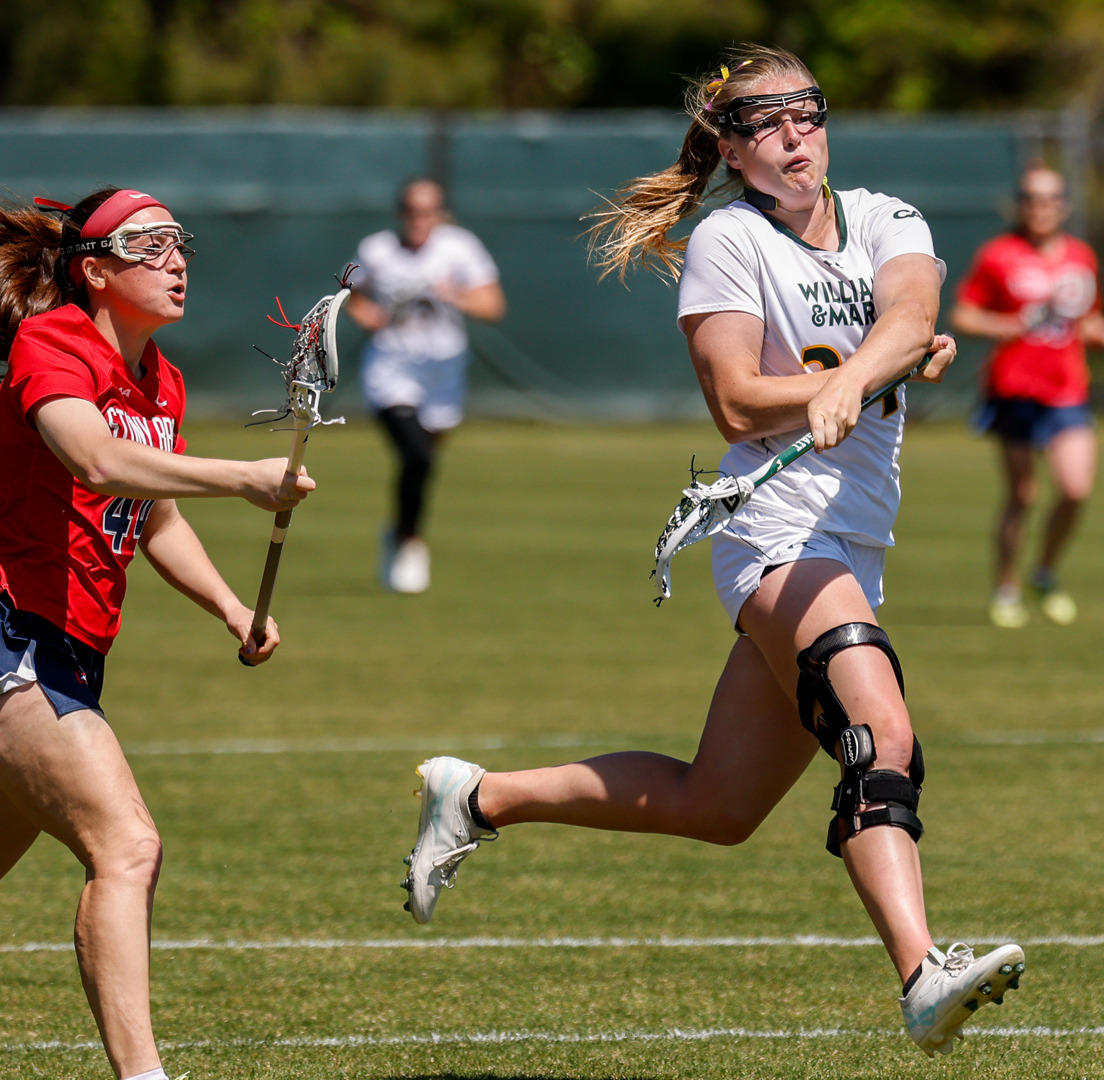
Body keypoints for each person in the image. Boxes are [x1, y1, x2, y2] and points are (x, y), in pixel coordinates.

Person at [399, 46, 1027, 1057]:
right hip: (775, 533)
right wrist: (860, 375)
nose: (795, 135)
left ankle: (477, 796)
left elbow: (912, 311)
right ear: (731, 150)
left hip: (855, 540)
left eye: (808, 114)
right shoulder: (729, 241)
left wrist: (864, 369)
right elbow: (735, 396)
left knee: (718, 804)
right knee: (880, 732)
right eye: (767, 122)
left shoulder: (884, 217)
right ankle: (921, 973)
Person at [0, 189, 314, 1080]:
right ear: (94, 271)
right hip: (13, 628)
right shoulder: (50, 343)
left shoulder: (161, 380)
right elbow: (96, 459)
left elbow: (153, 514)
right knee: (126, 844)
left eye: (181, 242)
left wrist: (229, 606)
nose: (176, 260)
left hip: (71, 651)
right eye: (149, 246)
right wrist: (243, 476)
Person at [951, 163, 1104, 629]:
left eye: (1049, 199)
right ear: (1019, 205)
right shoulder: (998, 255)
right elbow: (964, 314)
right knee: (1023, 494)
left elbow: (1085, 318)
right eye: (1030, 198)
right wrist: (1003, 325)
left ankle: (1043, 573)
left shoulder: (1081, 257)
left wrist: (1102, 332)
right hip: (1015, 391)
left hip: (1067, 390)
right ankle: (1006, 587)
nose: (1039, 207)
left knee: (1075, 489)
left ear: (1063, 205)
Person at [345, 177, 505, 593]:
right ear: (401, 213)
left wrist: (453, 296)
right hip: (392, 370)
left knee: (422, 464)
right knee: (417, 457)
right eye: (412, 211)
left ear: (439, 214)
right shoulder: (376, 249)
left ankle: (399, 530)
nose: (419, 220)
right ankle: (410, 545)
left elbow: (492, 304)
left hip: (442, 373)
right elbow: (353, 297)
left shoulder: (459, 248)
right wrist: (370, 317)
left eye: (428, 211)